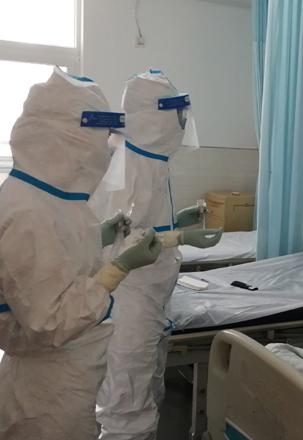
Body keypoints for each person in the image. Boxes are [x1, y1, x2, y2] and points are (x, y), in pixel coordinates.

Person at [0, 67, 162, 440]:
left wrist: (99, 236)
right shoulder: (28, 212)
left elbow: (57, 258)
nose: (106, 150)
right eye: (102, 138)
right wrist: (119, 267)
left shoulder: (47, 197)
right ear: (70, 137)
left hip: (63, 371)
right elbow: (51, 320)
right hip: (47, 387)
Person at [89, 69, 222, 440]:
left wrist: (177, 223)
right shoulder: (126, 161)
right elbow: (120, 238)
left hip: (150, 298)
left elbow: (142, 224)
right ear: (156, 116)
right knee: (128, 406)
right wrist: (180, 236)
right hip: (130, 302)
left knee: (145, 391)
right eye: (177, 114)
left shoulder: (151, 160)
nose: (182, 123)